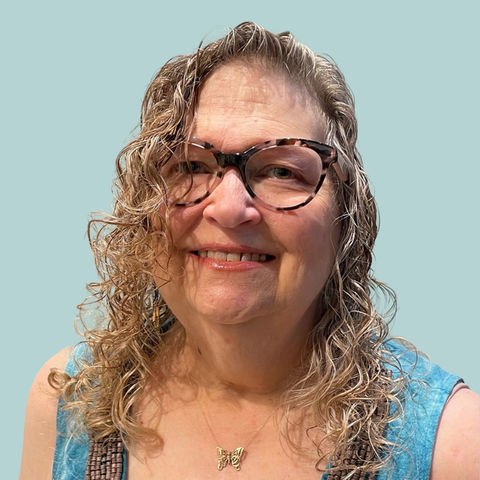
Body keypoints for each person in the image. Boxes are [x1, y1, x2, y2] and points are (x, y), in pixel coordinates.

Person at [20, 22, 479, 480]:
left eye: (281, 171)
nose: (228, 208)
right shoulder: (68, 400)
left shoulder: (454, 444)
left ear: (347, 219)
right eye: (190, 165)